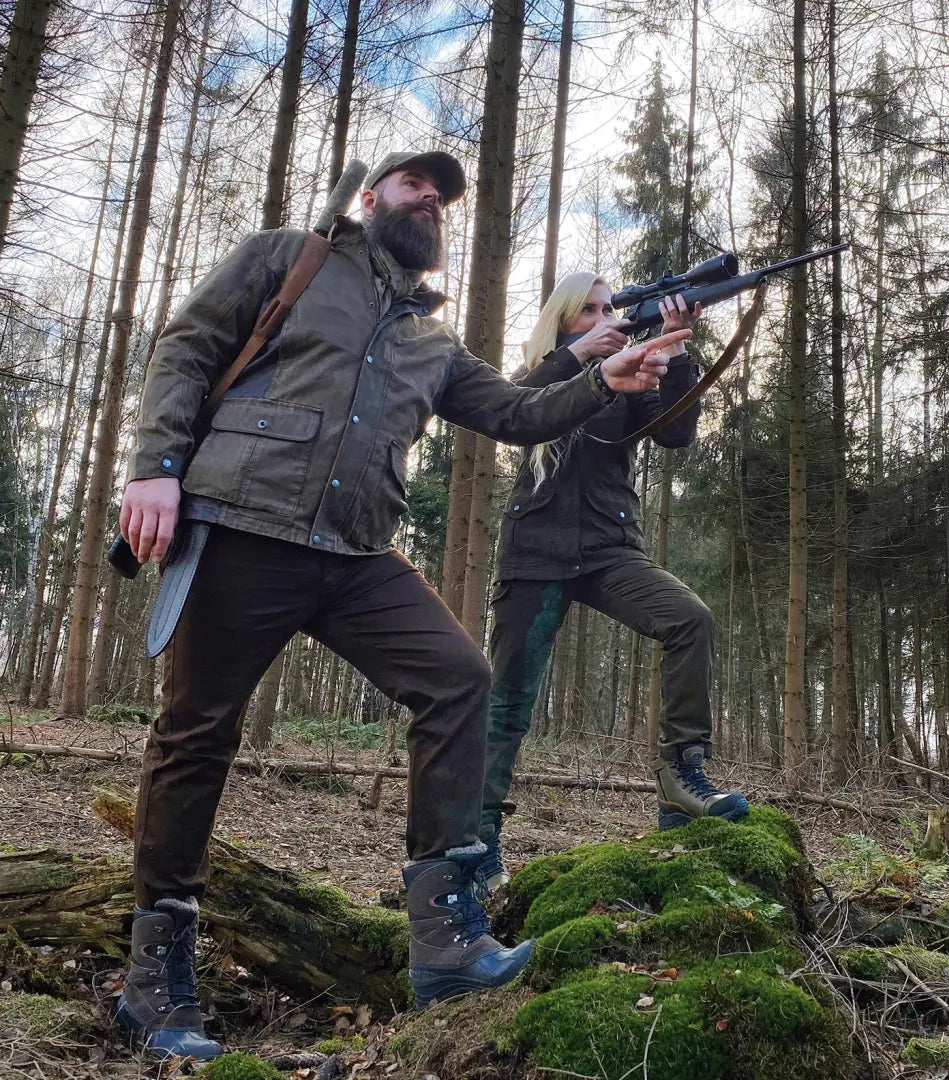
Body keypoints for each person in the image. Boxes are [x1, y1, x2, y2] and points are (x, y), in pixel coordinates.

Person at [114, 151, 690, 1060]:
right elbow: (186, 347)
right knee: (196, 735)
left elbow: (515, 414)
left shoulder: (433, 341)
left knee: (459, 678)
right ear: (372, 195)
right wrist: (154, 470)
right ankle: (155, 977)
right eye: (416, 184)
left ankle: (446, 939)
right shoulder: (289, 258)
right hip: (241, 523)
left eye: (445, 197)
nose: (431, 200)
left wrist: (600, 383)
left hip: (356, 551)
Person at [474, 271, 750, 894]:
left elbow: (675, 432)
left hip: (608, 548)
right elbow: (515, 407)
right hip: (535, 555)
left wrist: (676, 354)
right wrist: (582, 358)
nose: (605, 317)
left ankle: (682, 783)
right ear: (565, 321)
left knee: (689, 619)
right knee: (507, 706)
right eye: (589, 311)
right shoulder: (545, 371)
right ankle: (479, 842)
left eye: (611, 308)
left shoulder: (630, 372)